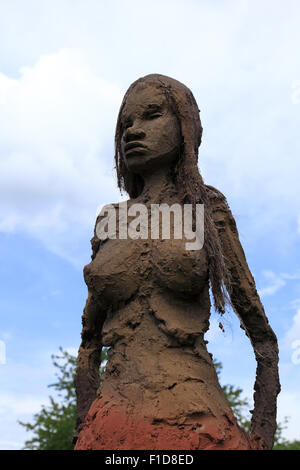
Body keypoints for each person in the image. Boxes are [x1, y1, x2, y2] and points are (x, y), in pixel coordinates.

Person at [74, 74, 280, 450]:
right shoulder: (111, 219)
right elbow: (89, 343)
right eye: (125, 125)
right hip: (109, 426)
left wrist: (261, 438)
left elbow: (263, 339)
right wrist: (83, 427)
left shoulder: (206, 210)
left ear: (185, 126)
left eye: (151, 115)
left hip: (198, 425)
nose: (132, 132)